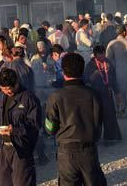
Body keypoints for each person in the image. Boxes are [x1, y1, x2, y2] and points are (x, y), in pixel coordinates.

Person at [45, 52, 107, 186]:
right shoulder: (93, 94)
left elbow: (50, 128)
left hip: (66, 153)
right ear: (82, 70)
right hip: (89, 150)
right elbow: (100, 121)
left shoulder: (55, 97)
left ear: (63, 71)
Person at [0, 69, 41, 186]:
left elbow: (35, 125)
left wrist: (14, 130)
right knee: (1, 181)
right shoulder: (2, 96)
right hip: (5, 146)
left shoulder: (28, 98)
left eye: (8, 89)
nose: (6, 91)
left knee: (22, 182)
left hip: (21, 147)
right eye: (3, 89)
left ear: (16, 83)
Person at [83, 45, 122, 142]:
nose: (101, 56)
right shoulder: (90, 65)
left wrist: (117, 92)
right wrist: (95, 74)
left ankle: (111, 137)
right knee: (96, 117)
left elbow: (114, 79)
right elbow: (86, 80)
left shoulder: (108, 63)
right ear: (95, 55)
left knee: (109, 115)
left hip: (107, 93)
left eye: (103, 54)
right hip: (95, 94)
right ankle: (95, 137)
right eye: (99, 54)